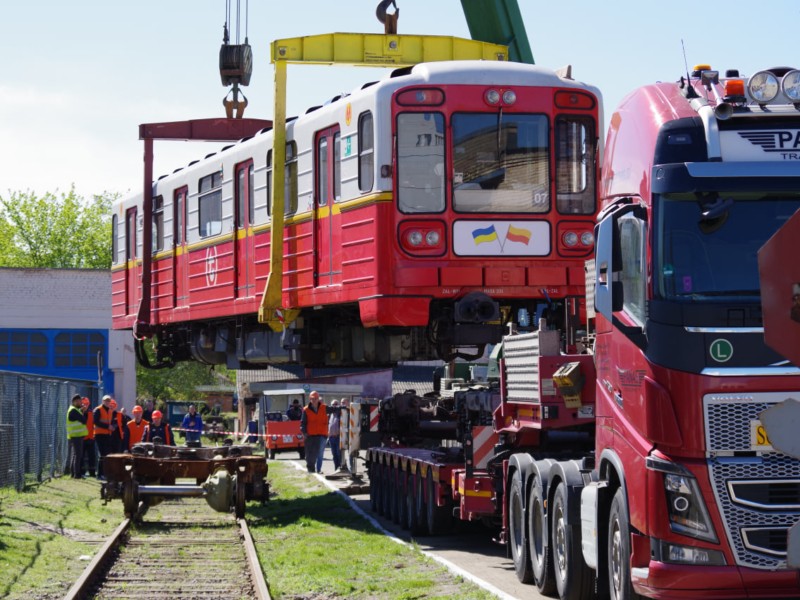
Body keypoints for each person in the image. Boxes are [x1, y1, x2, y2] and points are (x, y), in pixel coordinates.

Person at [300, 391, 327, 474]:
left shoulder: (324, 407)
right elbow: (303, 422)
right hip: (309, 435)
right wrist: (304, 432)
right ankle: (310, 470)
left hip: (320, 434)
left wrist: (344, 408)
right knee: (309, 454)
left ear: (318, 399)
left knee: (317, 454)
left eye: (316, 398)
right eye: (312, 398)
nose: (314, 400)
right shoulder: (306, 409)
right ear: (310, 399)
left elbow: (334, 409)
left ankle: (315, 470)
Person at [93, 394, 118, 479]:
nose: (107, 402)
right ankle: (100, 474)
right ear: (103, 401)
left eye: (108, 400)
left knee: (106, 455)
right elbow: (96, 422)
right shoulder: (98, 410)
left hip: (107, 435)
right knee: (103, 454)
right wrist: (108, 426)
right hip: (99, 434)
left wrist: (113, 426)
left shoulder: (110, 411)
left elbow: (113, 422)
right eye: (106, 400)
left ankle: (104, 473)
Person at [66, 394, 88, 479]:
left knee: (75, 455)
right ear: (74, 402)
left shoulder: (75, 410)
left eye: (80, 401)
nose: (81, 403)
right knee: (78, 455)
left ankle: (73, 473)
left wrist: (81, 411)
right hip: (76, 436)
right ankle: (77, 474)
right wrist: (83, 412)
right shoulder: (73, 410)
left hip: (75, 435)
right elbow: (84, 420)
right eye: (79, 401)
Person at [81, 398, 97, 478]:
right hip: (82, 439)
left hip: (90, 438)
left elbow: (94, 425)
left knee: (92, 457)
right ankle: (82, 472)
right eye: (83, 403)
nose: (85, 405)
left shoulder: (91, 413)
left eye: (86, 404)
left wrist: (93, 436)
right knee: (81, 456)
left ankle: (92, 473)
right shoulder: (78, 413)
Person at [327, 400, 342, 471]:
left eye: (336, 404)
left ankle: (340, 467)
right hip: (331, 437)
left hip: (338, 437)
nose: (334, 406)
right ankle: (336, 468)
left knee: (339, 454)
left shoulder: (340, 414)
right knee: (334, 454)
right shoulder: (330, 415)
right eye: (332, 404)